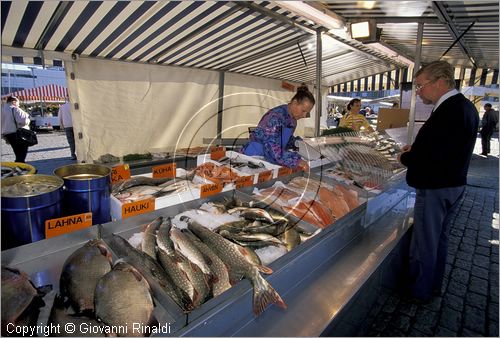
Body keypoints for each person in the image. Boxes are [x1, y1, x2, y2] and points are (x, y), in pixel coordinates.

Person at [397, 61, 479, 302]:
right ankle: (433, 285)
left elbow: (432, 157)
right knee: (439, 239)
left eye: (421, 86)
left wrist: (406, 157)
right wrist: (418, 149)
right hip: (454, 185)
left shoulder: (449, 110)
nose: (418, 92)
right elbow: (444, 148)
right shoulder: (465, 107)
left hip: (436, 188)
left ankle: (419, 292)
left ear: (440, 82)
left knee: (424, 243)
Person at [241, 85, 314, 171]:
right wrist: (296, 161)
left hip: (270, 160)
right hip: (254, 157)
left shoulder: (293, 120)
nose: (304, 115)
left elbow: (284, 139)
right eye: (303, 111)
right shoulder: (275, 117)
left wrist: (297, 143)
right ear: (294, 102)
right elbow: (272, 147)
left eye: (307, 112)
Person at [1, 96, 31, 163]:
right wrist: (28, 120)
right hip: (17, 133)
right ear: (13, 101)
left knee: (17, 152)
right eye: (18, 103)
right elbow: (22, 121)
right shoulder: (15, 109)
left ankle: (20, 166)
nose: (18, 104)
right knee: (22, 153)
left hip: (7, 134)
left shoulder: (2, 110)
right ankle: (20, 167)